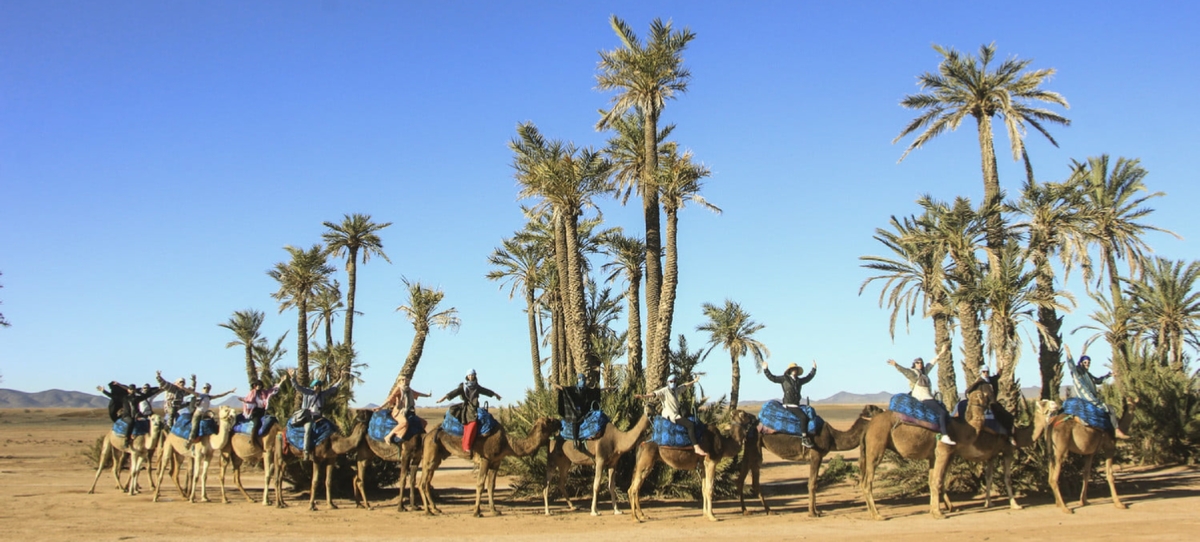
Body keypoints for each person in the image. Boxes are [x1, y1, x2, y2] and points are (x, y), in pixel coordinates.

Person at [889, 357, 956, 445]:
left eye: (921, 362)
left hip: (928, 397)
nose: (919, 364)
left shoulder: (924, 372)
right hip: (923, 398)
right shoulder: (914, 374)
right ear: (914, 364)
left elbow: (931, 364)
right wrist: (896, 365)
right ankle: (944, 435)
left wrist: (941, 353)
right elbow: (906, 372)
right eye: (917, 362)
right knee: (942, 413)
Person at [636, 374, 708, 457]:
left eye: (674, 381)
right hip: (671, 415)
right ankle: (696, 447)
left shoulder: (676, 390)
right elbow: (654, 394)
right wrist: (643, 396)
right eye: (671, 381)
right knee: (690, 425)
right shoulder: (664, 391)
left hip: (676, 413)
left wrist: (694, 381)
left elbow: (685, 386)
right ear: (668, 382)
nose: (673, 383)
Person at [436, 370, 501, 452]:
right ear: (467, 376)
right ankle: (467, 446)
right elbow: (453, 393)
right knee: (472, 424)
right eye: (469, 375)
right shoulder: (463, 387)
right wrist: (441, 399)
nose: (471, 377)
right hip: (468, 409)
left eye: (472, 375)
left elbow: (486, 391)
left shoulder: (476, 386)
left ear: (474, 376)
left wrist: (496, 395)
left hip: (475, 408)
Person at [1065, 354, 1128, 439]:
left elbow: (1098, 381)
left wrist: (1109, 375)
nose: (1087, 364)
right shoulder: (1078, 373)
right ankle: (1116, 430)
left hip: (1089, 399)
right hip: (1088, 400)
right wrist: (1069, 357)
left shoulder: (1088, 374)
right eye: (1085, 362)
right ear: (1081, 363)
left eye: (1088, 362)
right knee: (1110, 409)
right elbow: (1072, 367)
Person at [288, 368, 344, 460]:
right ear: (313, 386)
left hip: (319, 416)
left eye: (319, 385)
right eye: (316, 385)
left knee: (333, 427)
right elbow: (297, 387)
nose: (318, 386)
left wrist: (341, 379)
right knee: (308, 430)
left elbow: (332, 389)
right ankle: (306, 451)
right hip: (308, 417)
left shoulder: (322, 394)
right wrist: (293, 377)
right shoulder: (307, 392)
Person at [763, 360, 818, 448]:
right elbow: (773, 378)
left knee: (809, 413)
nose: (795, 370)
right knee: (803, 417)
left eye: (796, 369)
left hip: (796, 405)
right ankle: (804, 438)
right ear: (790, 371)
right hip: (788, 405)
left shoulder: (799, 381)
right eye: (793, 369)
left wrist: (814, 369)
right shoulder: (784, 379)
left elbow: (808, 377)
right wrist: (766, 369)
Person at [553, 372, 605, 448]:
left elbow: (594, 391)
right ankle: (575, 440)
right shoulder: (573, 389)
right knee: (575, 421)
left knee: (597, 416)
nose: (582, 380)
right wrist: (559, 387)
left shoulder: (587, 390)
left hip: (585, 411)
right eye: (580, 379)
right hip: (575, 411)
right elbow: (566, 390)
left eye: (583, 379)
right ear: (578, 380)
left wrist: (604, 389)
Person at [380, 376, 431, 449]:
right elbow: (390, 398)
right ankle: (388, 436)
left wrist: (427, 395)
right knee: (404, 423)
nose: (404, 381)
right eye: (402, 380)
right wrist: (380, 407)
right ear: (399, 381)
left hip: (408, 411)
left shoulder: (408, 389)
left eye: (406, 379)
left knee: (423, 422)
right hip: (399, 411)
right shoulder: (398, 388)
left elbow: (417, 393)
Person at [184, 382, 236, 448]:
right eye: (205, 388)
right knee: (195, 427)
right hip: (198, 414)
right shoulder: (199, 395)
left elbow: (219, 395)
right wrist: (182, 387)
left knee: (214, 426)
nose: (206, 389)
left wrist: (229, 392)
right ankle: (189, 441)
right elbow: (190, 391)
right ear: (202, 388)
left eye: (208, 388)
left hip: (206, 414)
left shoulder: (209, 397)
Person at [237, 379, 281, 448]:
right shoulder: (252, 393)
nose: (259, 386)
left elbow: (272, 390)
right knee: (257, 423)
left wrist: (281, 382)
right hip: (255, 411)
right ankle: (252, 440)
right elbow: (249, 400)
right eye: (257, 385)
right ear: (254, 386)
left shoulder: (263, 392)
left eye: (260, 385)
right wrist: (244, 400)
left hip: (263, 411)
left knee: (272, 420)